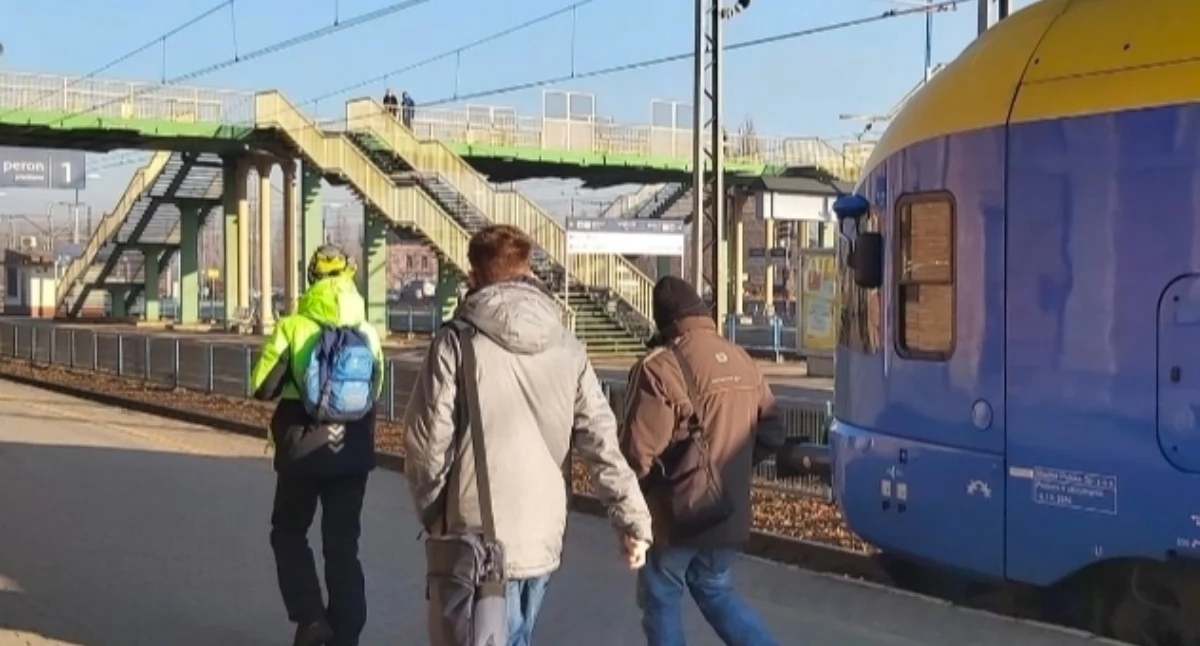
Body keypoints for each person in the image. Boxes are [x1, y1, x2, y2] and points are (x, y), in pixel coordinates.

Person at [403, 224, 654, 646]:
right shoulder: (568, 346)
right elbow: (601, 441)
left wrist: (434, 515)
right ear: (527, 270)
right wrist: (633, 520)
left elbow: (426, 446)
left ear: (474, 276)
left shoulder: (455, 344)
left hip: (472, 535)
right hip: (541, 533)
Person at [620, 275, 786, 646]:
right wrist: (729, 468)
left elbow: (636, 453)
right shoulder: (743, 359)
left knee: (661, 597)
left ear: (663, 321)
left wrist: (642, 505)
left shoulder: (658, 368)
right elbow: (773, 433)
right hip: (730, 512)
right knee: (714, 588)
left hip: (677, 514)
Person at [250, 244, 385, 646]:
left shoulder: (293, 326)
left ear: (311, 279)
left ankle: (311, 619)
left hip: (301, 451)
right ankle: (346, 634)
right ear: (350, 277)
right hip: (353, 452)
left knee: (288, 533)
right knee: (343, 546)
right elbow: (375, 389)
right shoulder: (369, 331)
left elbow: (263, 388)